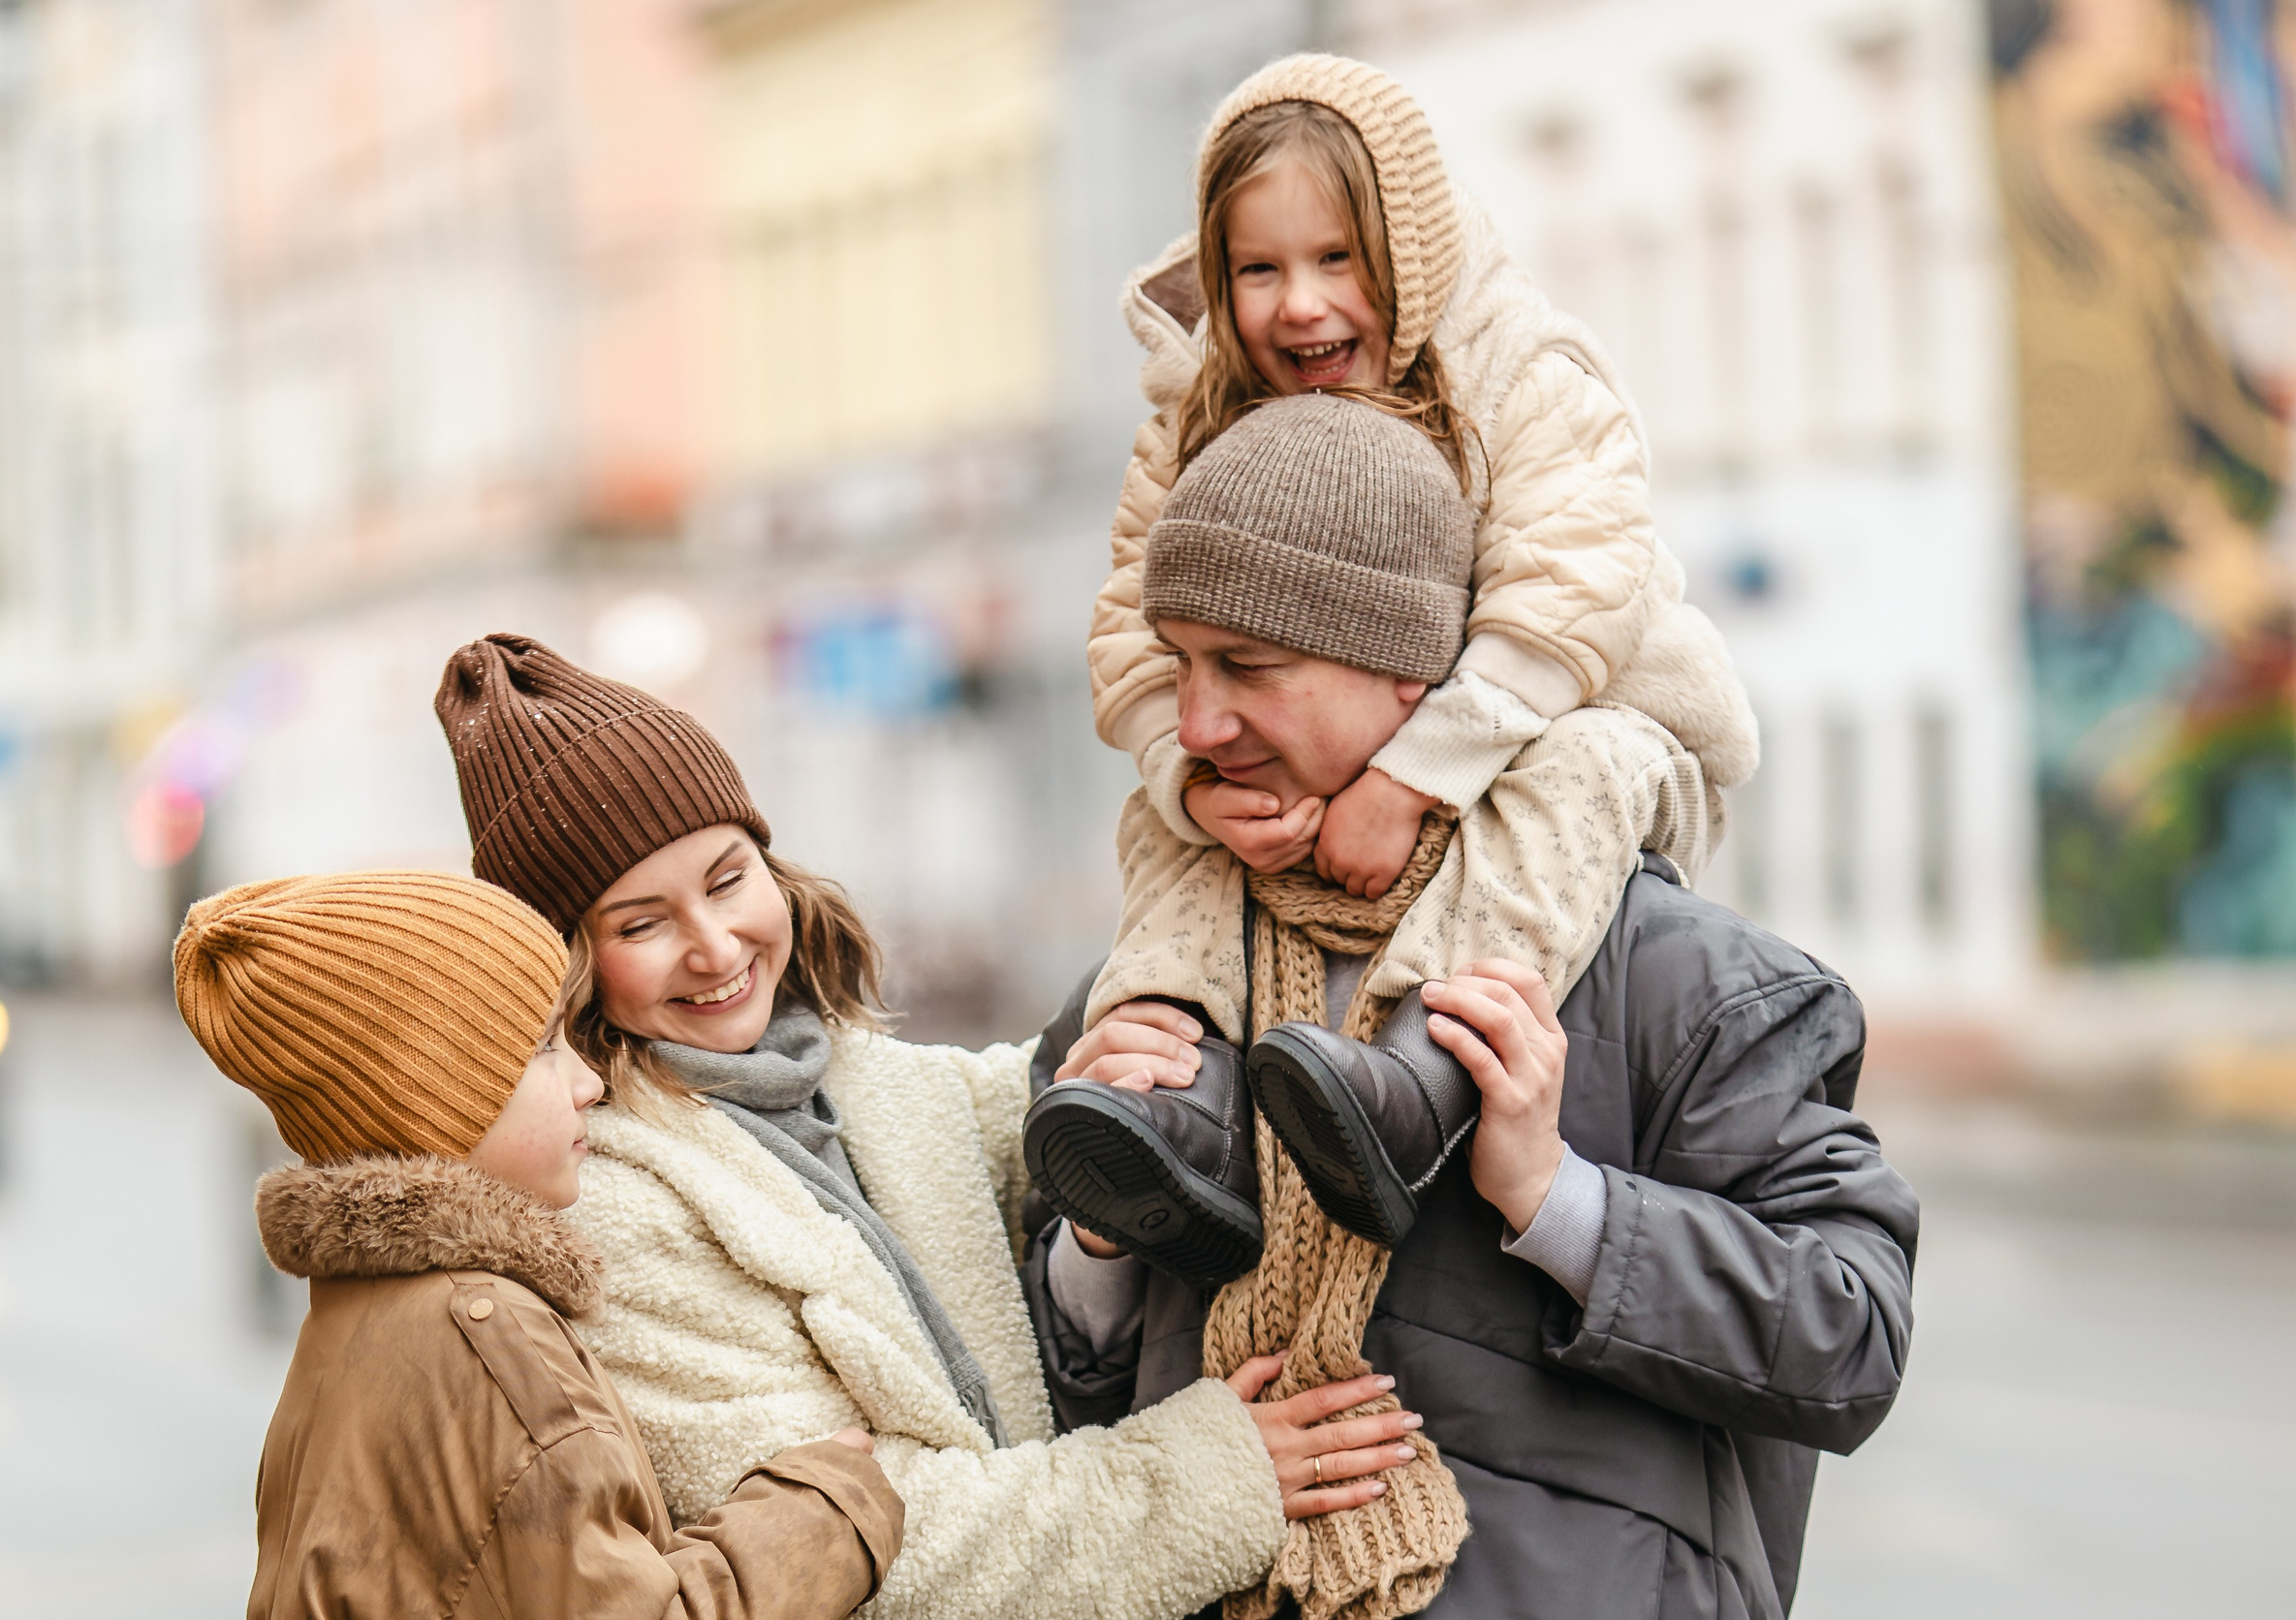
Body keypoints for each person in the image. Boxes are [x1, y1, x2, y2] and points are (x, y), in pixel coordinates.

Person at [1027, 396, 1921, 1619]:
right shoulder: (1152, 977)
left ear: (1410, 671)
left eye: (1248, 666)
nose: (1195, 723)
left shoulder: (1684, 980)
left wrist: (1556, 1200)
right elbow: (1054, 1410)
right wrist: (1099, 1243)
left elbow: (1848, 1342)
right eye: (1179, 662)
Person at [430, 634, 1429, 1620]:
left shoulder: (857, 1077)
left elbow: (1025, 1104)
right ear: (572, 964)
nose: (714, 944)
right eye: (641, 924)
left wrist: (1161, 958)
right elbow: (857, 1543)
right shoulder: (607, 1204)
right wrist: (1215, 1474)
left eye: (728, 879)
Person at [1045, 51, 1760, 1285]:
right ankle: (1173, 1077)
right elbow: (1130, 621)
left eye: (1336, 261)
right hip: (1370, 751)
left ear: (1408, 254)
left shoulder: (1520, 371)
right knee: (1165, 828)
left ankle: (1421, 1068)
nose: (1299, 306)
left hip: (1581, 711)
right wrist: (1185, 772)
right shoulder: (1197, 409)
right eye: (1258, 271)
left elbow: (1563, 598)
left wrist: (1413, 779)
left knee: (1577, 775)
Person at [173, 868, 905, 1620]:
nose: (588, 1081)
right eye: (546, 1047)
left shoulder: (369, 1315)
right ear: (436, 1102)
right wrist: (826, 1509)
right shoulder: (487, 1337)